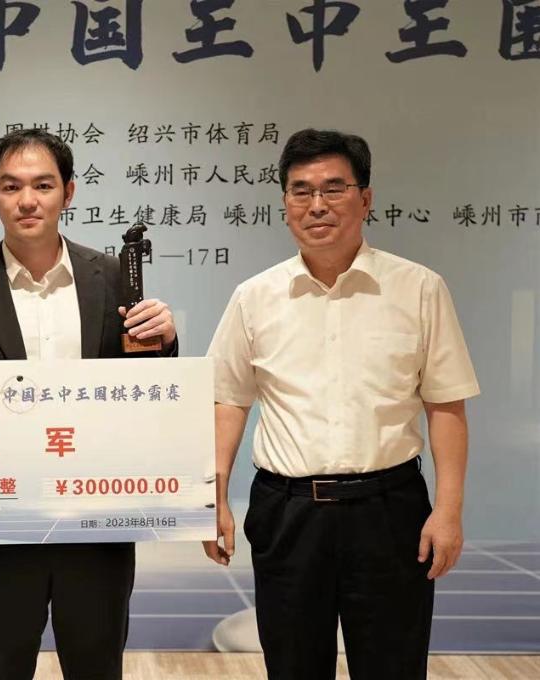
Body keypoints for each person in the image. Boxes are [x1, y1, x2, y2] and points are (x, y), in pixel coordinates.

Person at [204, 129, 480, 680]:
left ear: (366, 198)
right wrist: (213, 495)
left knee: (393, 667)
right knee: (292, 666)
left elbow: (445, 406)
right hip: (287, 513)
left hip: (389, 511)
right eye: (301, 191)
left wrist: (448, 511)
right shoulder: (254, 297)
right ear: (285, 202)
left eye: (334, 188)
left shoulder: (419, 289)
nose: (317, 205)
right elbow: (228, 401)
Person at [0, 129, 178, 680]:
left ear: (69, 191)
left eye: (43, 185)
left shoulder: (114, 278)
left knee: (97, 669)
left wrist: (166, 341)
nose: (27, 200)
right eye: (11, 186)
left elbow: (142, 391)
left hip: (96, 523)